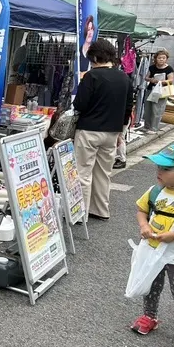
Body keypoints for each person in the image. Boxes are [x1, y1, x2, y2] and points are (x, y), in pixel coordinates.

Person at [73, 39, 133, 221]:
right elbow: (128, 107)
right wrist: (121, 132)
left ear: (97, 57)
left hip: (89, 131)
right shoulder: (124, 77)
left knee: (83, 172)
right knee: (103, 173)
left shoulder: (91, 76)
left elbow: (80, 104)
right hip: (112, 132)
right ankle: (100, 210)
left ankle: (80, 213)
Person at [130, 144, 174, 335]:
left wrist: (173, 235)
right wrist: (144, 226)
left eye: (166, 169)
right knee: (151, 284)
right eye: (158, 167)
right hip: (153, 249)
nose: (159, 172)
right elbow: (142, 210)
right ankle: (149, 316)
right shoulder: (155, 192)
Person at [143, 49, 174, 133]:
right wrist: (152, 80)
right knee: (148, 108)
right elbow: (146, 77)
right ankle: (147, 126)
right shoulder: (152, 67)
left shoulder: (169, 68)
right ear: (156, 58)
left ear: (166, 59)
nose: (161, 59)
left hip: (162, 90)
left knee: (157, 109)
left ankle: (154, 128)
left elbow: (171, 80)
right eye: (159, 58)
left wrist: (162, 81)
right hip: (151, 89)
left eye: (163, 58)